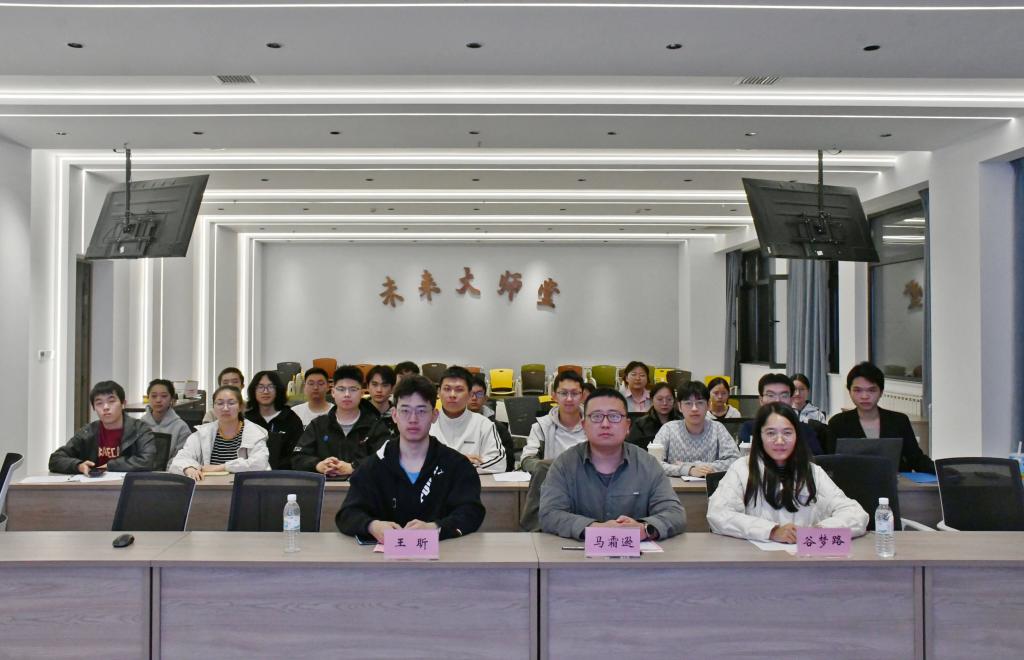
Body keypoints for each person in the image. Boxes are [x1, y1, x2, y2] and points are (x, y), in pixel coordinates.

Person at [336, 375, 485, 541]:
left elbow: (471, 512)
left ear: (434, 415)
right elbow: (347, 514)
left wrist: (436, 528)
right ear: (394, 415)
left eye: (421, 411)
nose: (413, 419)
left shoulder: (456, 464)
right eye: (405, 411)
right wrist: (372, 526)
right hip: (384, 555)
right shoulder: (373, 466)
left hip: (443, 553)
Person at [707, 402, 868, 543]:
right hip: (758, 559)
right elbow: (718, 514)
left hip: (806, 557)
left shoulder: (812, 472)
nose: (780, 441)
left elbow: (856, 515)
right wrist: (771, 531)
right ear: (759, 437)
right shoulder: (742, 469)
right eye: (771, 433)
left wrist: (819, 531)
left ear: (797, 436)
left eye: (787, 433)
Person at [539, 388, 686, 541]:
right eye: (596, 416)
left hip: (635, 553)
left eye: (614, 416)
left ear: (627, 425)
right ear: (584, 425)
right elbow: (549, 514)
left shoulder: (648, 464)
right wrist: (593, 528)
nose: (605, 424)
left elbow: (675, 513)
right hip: (578, 553)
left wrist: (644, 529)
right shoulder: (564, 464)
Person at [827, 361, 935, 473]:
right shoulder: (837, 423)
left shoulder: (899, 421)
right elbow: (830, 464)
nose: (865, 396)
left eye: (872, 390)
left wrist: (941, 470)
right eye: (857, 390)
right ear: (849, 391)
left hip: (894, 481)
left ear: (881, 392)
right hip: (852, 482)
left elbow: (916, 459)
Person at [49, 380, 157, 474]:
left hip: (129, 486)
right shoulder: (88, 432)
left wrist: (110, 465)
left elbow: (148, 460)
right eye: (99, 403)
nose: (105, 407)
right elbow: (56, 459)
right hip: (94, 486)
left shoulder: (140, 429)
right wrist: (78, 466)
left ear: (123, 404)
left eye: (111, 401)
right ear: (93, 408)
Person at [292, 365, 382, 475]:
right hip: (325, 484)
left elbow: (386, 458)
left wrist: (354, 467)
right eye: (341, 389)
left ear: (362, 393)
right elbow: (298, 458)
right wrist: (318, 465)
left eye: (353, 389)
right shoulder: (318, 425)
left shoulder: (375, 426)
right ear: (333, 392)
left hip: (363, 484)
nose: (347, 394)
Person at [169, 385, 269, 480]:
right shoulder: (203, 433)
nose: (225, 408)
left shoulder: (254, 433)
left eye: (231, 403)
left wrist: (222, 467)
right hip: (208, 488)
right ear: (213, 407)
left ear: (240, 407)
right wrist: (188, 468)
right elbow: (179, 460)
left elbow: (259, 464)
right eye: (220, 403)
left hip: (244, 488)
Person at [651, 381, 740, 477]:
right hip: (674, 486)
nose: (694, 408)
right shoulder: (668, 429)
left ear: (708, 405)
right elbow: (653, 463)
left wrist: (698, 466)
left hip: (709, 486)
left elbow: (735, 460)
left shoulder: (718, 428)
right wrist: (689, 470)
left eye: (700, 403)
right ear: (679, 406)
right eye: (688, 403)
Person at [429, 366, 506, 471]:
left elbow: (499, 463)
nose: (452, 395)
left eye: (459, 390)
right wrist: (461, 462)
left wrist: (445, 464)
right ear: (438, 392)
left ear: (470, 394)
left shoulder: (483, 424)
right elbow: (413, 461)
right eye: (447, 389)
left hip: (472, 481)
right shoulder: (426, 422)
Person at [737, 373, 824, 455]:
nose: (777, 400)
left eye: (784, 396)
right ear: (761, 400)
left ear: (791, 400)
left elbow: (817, 461)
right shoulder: (749, 429)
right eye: (771, 395)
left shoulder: (806, 431)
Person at [521, 370, 587, 474]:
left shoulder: (595, 425)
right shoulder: (541, 426)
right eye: (563, 393)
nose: (569, 399)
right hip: (552, 481)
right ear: (554, 396)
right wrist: (555, 468)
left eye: (574, 393)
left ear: (582, 396)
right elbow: (527, 461)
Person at [244, 370, 304, 469]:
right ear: (253, 391)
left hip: (284, 474)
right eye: (260, 387)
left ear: (278, 390)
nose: (265, 391)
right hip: (251, 473)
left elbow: (297, 455)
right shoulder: (247, 420)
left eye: (271, 387)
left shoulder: (291, 419)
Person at [467, 373, 515, 472]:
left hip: (490, 474)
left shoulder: (498, 427)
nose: (474, 398)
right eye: (471, 394)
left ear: (485, 399)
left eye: (479, 394)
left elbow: (509, 462)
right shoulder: (455, 424)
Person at [139, 379, 192, 459]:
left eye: (164, 396)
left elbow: (182, 458)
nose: (158, 400)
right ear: (148, 398)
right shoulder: (139, 425)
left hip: (172, 467)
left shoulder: (181, 427)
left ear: (171, 399)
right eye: (154, 396)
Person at [626, 381, 679, 450]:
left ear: (674, 401)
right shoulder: (640, 424)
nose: (665, 403)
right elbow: (632, 449)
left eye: (669, 399)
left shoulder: (681, 422)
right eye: (660, 399)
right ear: (651, 400)